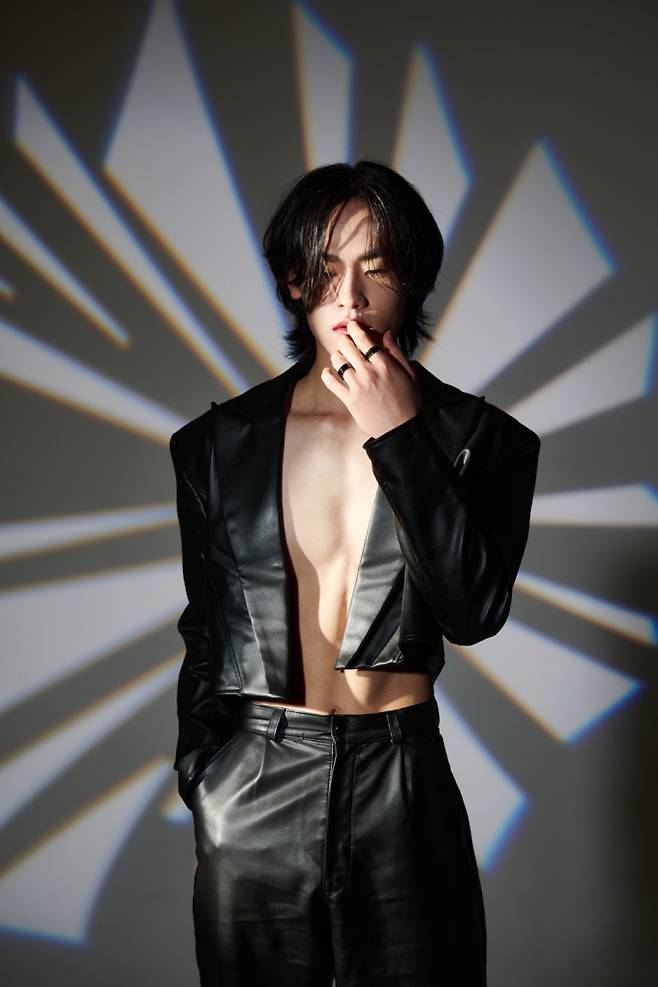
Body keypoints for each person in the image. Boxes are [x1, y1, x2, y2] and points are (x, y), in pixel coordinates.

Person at [169, 159, 540, 987]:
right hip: (257, 779)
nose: (351, 295)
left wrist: (400, 436)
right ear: (294, 280)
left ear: (413, 280)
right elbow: (207, 626)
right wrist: (204, 779)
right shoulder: (216, 446)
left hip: (402, 777)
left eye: (378, 266)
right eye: (326, 267)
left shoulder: (483, 439)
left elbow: (473, 610)